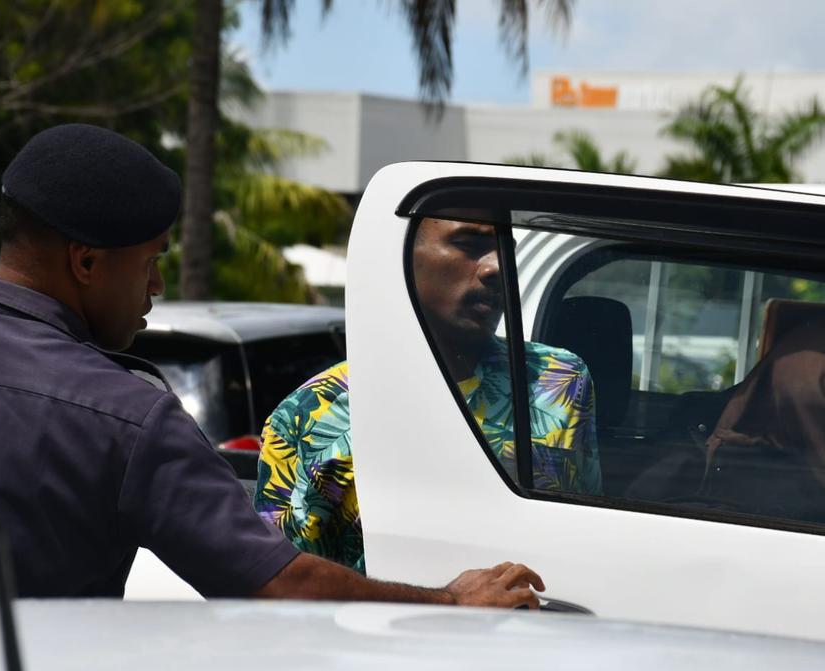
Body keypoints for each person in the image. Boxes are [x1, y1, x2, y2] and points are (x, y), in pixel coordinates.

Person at [0, 124, 543, 608]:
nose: (157, 288)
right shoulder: (127, 416)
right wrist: (450, 602)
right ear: (85, 262)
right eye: (152, 261)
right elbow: (275, 581)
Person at [255, 217, 602, 573]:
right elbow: (291, 584)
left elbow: (588, 532)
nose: (497, 267)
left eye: (505, 250)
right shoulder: (311, 413)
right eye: (469, 244)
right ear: (403, 258)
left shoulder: (557, 379)